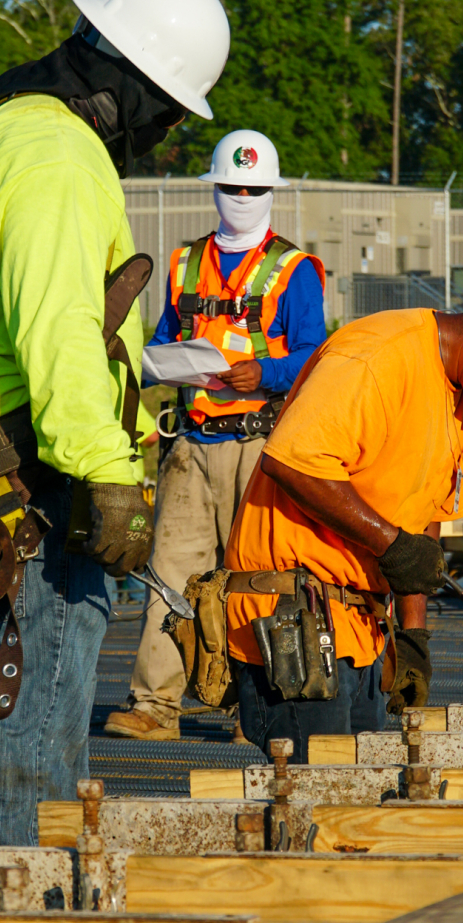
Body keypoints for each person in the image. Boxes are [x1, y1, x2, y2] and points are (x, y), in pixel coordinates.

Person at [0, 0, 230, 845]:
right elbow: (61, 335)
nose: (160, 136)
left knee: (2, 745)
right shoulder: (54, 154)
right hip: (24, 488)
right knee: (22, 783)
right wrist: (112, 482)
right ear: (132, 87)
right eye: (166, 113)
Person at [221, 256, 463, 758]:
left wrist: (414, 638)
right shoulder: (379, 356)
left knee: (355, 807)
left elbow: (421, 525)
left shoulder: (462, 396)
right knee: (311, 803)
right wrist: (390, 544)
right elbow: (292, 462)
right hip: (293, 614)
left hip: (359, 627)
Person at [104, 129, 327, 741]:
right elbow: (158, 343)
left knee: (257, 576)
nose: (243, 196)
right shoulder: (183, 263)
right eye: (232, 186)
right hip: (190, 445)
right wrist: (159, 363)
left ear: (271, 192)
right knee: (170, 573)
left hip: (259, 443)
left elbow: (314, 356)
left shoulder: (296, 271)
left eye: (254, 188)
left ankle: (252, 709)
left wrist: (269, 372)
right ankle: (155, 706)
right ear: (215, 189)